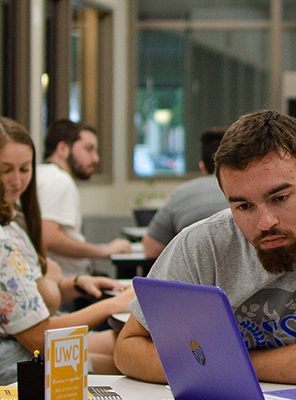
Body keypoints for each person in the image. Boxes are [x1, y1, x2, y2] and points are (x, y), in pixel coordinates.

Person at [114, 110, 296, 386]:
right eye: (243, 205)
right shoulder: (200, 244)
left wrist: (219, 365)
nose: (265, 222)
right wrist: (226, 369)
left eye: (280, 198)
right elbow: (128, 349)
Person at [0, 116, 134, 385]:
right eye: (6, 170)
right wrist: (115, 303)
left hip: (33, 343)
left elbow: (27, 296)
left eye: (25, 169)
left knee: (132, 345)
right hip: (22, 361)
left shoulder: (12, 221)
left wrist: (75, 283)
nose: (17, 180)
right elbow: (38, 337)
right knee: (130, 354)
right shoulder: (4, 238)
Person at [36, 119, 131, 277]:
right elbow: (49, 237)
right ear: (62, 149)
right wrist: (102, 251)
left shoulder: (42, 173)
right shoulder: (58, 180)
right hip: (67, 282)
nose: (96, 159)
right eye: (89, 149)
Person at [141, 127, 229, 258]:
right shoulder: (249, 195)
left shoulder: (182, 193)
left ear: (202, 167)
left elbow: (151, 249)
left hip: (192, 276)